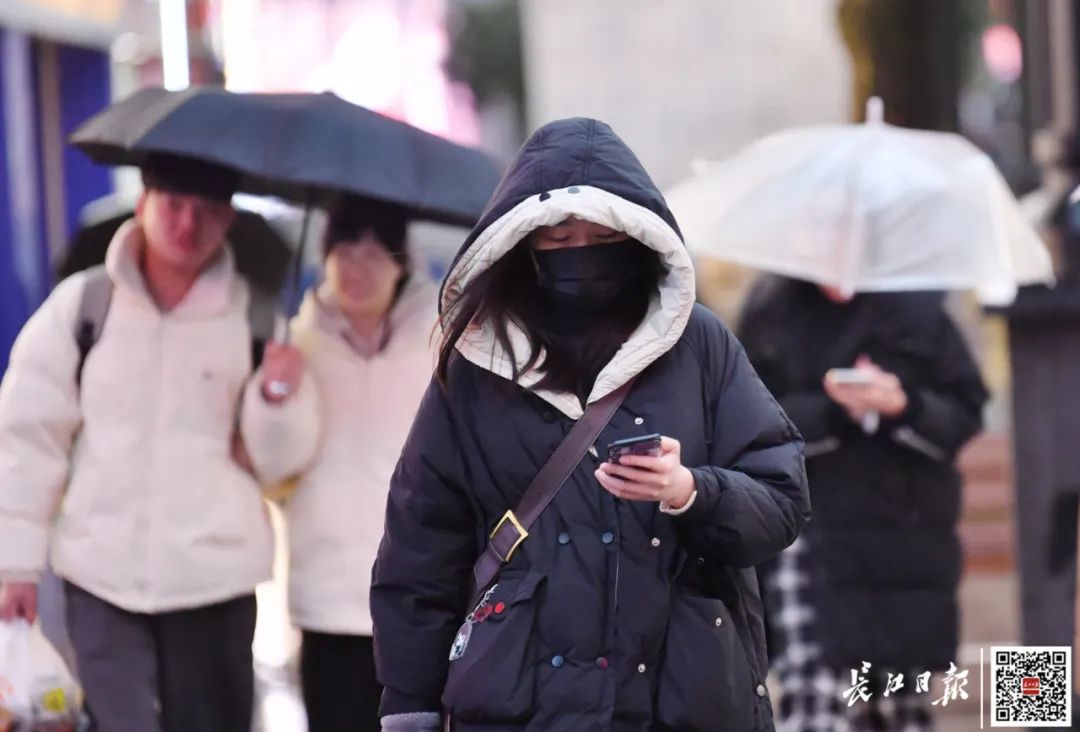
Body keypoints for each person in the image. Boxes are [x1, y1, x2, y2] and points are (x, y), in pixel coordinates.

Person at [370, 118, 811, 732]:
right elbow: (420, 549)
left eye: (600, 234)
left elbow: (782, 501)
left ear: (635, 236)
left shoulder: (698, 345)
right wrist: (409, 707)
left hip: (680, 697)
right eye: (559, 238)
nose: (581, 252)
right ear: (522, 244)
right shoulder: (478, 362)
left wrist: (690, 490)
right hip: (517, 707)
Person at [0, 153, 320, 732]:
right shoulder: (84, 305)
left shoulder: (255, 320)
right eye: (173, 205)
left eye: (205, 211)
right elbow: (25, 437)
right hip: (100, 575)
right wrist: (13, 565)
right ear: (143, 203)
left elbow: (281, 465)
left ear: (228, 219)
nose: (186, 225)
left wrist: (277, 397)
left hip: (214, 580)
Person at [737, 276, 988, 732]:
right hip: (812, 538)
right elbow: (748, 420)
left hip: (904, 537)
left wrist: (903, 405)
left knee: (894, 708)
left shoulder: (921, 314)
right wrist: (834, 412)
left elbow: (965, 412)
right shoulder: (771, 316)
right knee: (814, 701)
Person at [284, 196, 439, 731]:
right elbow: (271, 464)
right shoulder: (297, 342)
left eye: (374, 253)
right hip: (326, 599)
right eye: (344, 250)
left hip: (421, 600)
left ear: (401, 261)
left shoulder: (444, 340)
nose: (357, 268)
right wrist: (271, 396)